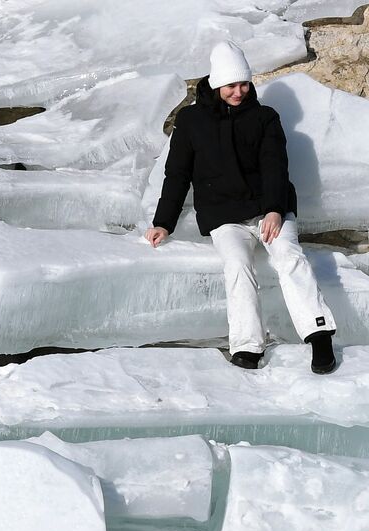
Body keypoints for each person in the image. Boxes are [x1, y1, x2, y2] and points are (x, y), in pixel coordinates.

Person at [145, 41, 338, 375]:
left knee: (289, 256)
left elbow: (275, 166)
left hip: (268, 209)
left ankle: (319, 335)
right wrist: (164, 222)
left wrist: (275, 209)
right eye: (231, 85)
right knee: (237, 266)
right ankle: (247, 347)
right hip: (224, 216)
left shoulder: (264, 118)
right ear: (217, 84)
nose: (239, 91)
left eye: (244, 84)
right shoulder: (191, 121)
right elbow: (177, 174)